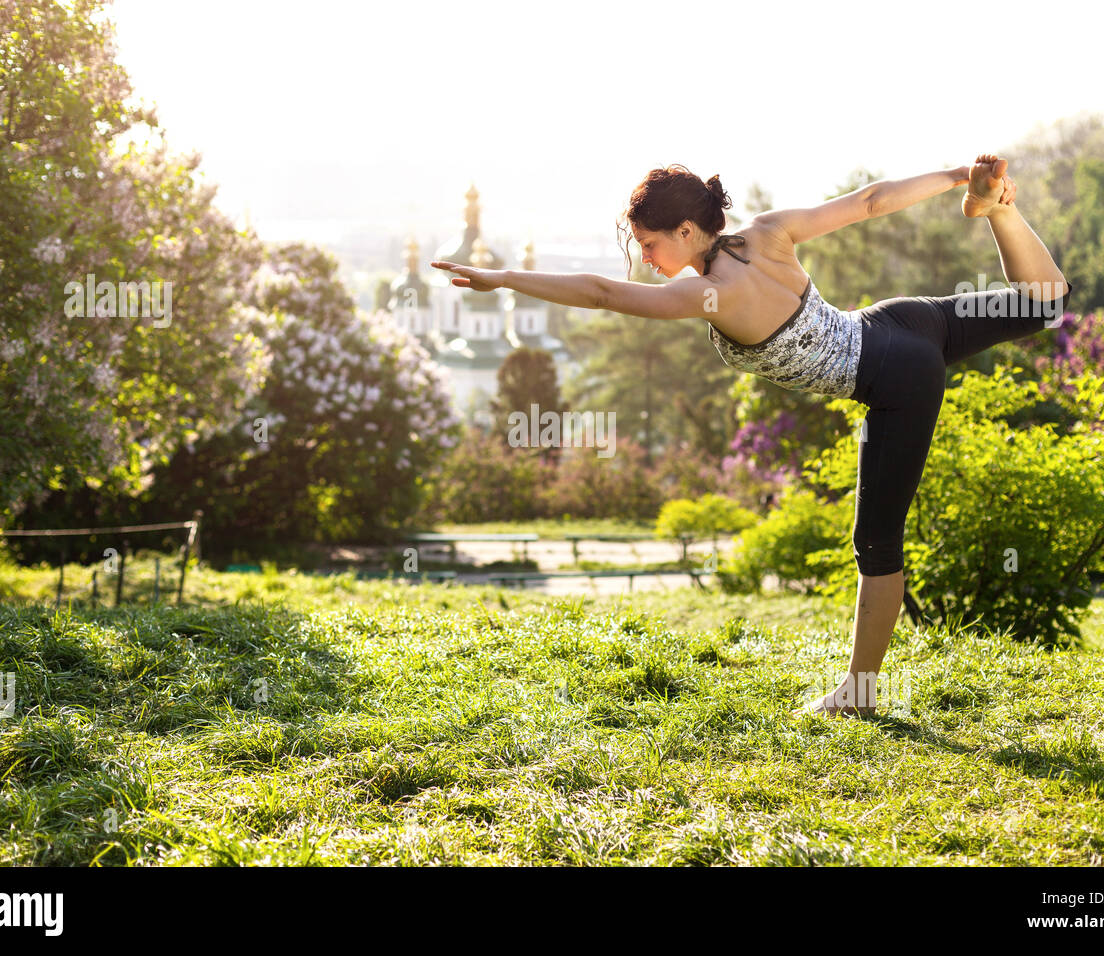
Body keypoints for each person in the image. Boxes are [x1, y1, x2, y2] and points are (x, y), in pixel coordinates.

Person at [432, 154, 1071, 718]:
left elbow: (602, 294)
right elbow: (871, 201)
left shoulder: (710, 294)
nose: (647, 260)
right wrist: (957, 174)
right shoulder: (766, 233)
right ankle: (995, 209)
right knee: (1044, 302)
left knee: (876, 542)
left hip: (898, 377)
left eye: (651, 245)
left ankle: (861, 691)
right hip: (900, 324)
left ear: (687, 231)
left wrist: (505, 279)